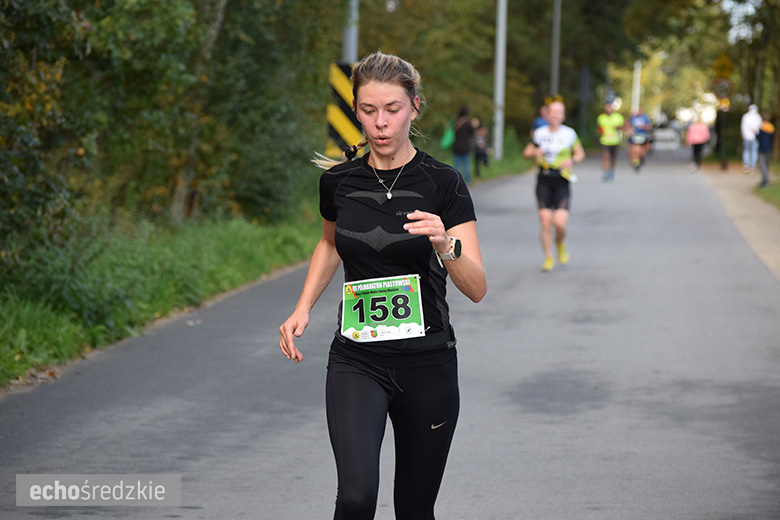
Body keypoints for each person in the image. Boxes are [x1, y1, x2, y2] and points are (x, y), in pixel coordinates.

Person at [279, 51, 487, 520]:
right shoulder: (338, 182)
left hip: (428, 363)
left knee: (414, 510)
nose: (381, 123)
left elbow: (477, 287)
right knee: (355, 498)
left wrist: (445, 243)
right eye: (369, 110)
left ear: (415, 107)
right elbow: (330, 244)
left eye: (392, 109)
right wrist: (302, 306)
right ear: (356, 111)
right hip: (357, 359)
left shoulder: (444, 183)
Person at [523, 100, 585, 272]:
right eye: (553, 112)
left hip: (562, 179)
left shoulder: (569, 134)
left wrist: (572, 160)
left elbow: (580, 153)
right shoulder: (539, 133)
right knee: (545, 221)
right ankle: (548, 257)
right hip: (544, 179)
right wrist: (535, 152)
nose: (555, 115)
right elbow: (526, 153)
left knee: (559, 222)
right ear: (547, 114)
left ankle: (560, 243)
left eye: (559, 112)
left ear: (563, 116)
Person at [596, 102, 624, 182]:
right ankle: (605, 172)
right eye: (607, 107)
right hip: (605, 140)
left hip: (615, 140)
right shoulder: (601, 117)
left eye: (610, 107)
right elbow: (599, 128)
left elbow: (622, 127)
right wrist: (600, 131)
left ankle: (611, 170)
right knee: (605, 155)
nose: (609, 109)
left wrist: (617, 127)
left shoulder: (618, 117)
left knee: (613, 157)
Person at [452, 105, 475, 183]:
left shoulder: (456, 122)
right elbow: (472, 132)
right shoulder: (467, 123)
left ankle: (456, 181)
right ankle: (468, 181)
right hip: (465, 147)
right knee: (466, 166)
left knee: (457, 166)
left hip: (456, 147)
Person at [628, 107, 652, 172]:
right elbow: (629, 126)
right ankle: (635, 162)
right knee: (634, 148)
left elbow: (650, 127)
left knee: (641, 149)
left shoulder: (645, 117)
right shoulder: (633, 118)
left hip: (643, 135)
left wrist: (643, 127)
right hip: (635, 136)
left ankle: (641, 159)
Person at [741, 104, 762, 174]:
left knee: (747, 151)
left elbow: (743, 127)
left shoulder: (745, 116)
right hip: (754, 137)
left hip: (747, 137)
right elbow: (759, 127)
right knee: (753, 152)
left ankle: (746, 166)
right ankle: (752, 167)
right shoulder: (757, 117)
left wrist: (744, 135)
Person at [757, 112, 775, 188]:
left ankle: (765, 182)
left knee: (763, 165)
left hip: (761, 148)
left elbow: (758, 138)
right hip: (769, 148)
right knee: (767, 165)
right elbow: (772, 139)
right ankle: (766, 180)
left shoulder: (761, 127)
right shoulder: (771, 128)